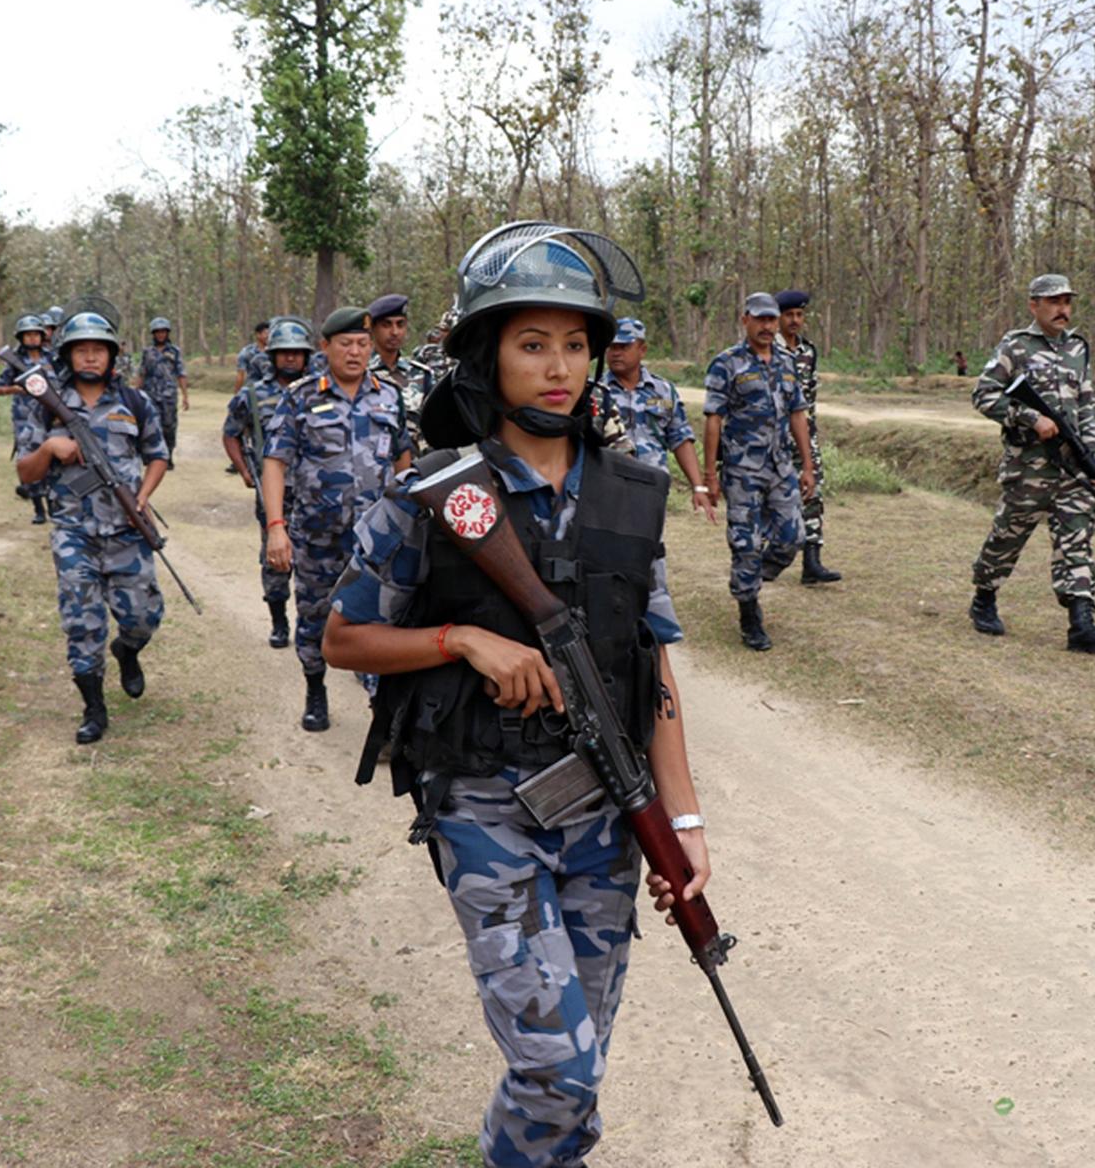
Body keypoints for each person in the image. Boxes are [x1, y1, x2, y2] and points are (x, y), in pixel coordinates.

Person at [323, 221, 709, 1168]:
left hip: (607, 818)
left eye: (576, 343)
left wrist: (683, 825)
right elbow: (341, 636)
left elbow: (651, 669)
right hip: (484, 803)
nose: (559, 366)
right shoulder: (433, 492)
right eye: (532, 344)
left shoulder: (632, 492)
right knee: (558, 1072)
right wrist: (463, 640)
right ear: (486, 357)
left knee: (582, 1060)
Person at [14, 311, 172, 742]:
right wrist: (50, 446)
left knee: (143, 616)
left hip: (127, 529)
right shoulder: (46, 407)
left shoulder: (134, 403)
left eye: (97, 350)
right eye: (81, 349)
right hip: (74, 533)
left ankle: (128, 650)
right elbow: (26, 473)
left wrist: (143, 496)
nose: (89, 357)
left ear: (112, 355)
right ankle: (94, 708)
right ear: (68, 354)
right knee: (82, 623)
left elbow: (158, 455)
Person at [262, 306, 414, 731]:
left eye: (363, 344)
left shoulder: (389, 395)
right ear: (325, 347)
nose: (355, 352)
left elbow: (403, 458)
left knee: (378, 621)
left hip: (375, 538)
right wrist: (276, 528)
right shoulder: (301, 396)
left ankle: (380, 711)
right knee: (314, 617)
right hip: (316, 537)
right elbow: (274, 462)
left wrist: (409, 516)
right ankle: (315, 689)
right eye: (345, 343)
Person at [969, 274, 1095, 653]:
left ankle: (1081, 623)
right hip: (1029, 468)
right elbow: (984, 395)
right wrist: (1029, 418)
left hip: (1071, 468)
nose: (1063, 310)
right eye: (1054, 302)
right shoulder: (1016, 346)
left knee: (1076, 540)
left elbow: (1086, 407)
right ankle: (984, 596)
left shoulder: (1077, 349)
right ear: (1034, 305)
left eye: (1067, 302)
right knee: (1007, 537)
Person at [702, 292, 816, 651]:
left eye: (772, 319)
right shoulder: (726, 364)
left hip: (781, 465)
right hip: (742, 470)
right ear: (745, 320)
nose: (768, 326)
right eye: (761, 319)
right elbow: (713, 419)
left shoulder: (787, 362)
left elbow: (799, 414)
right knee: (745, 542)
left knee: (793, 536)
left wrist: (807, 464)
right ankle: (749, 611)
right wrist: (710, 475)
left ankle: (755, 572)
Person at [223, 316, 317, 649]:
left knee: (319, 561)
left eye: (297, 352)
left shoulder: (319, 390)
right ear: (273, 354)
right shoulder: (253, 392)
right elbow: (231, 433)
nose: (291, 358)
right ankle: (279, 622)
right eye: (284, 352)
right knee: (275, 561)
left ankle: (320, 627)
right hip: (273, 493)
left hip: (316, 493)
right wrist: (246, 472)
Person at [603, 317, 717, 524]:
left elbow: (680, 438)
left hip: (651, 488)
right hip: (608, 489)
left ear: (642, 350)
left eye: (624, 346)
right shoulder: (596, 392)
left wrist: (698, 486)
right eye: (611, 346)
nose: (616, 352)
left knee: (651, 550)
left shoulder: (663, 391)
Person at [775, 289, 842, 583]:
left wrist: (809, 439)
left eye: (799, 315)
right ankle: (766, 558)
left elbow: (809, 400)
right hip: (773, 437)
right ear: (777, 318)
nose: (794, 320)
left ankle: (812, 562)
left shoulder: (807, 351)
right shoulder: (766, 350)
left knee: (813, 493)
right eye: (788, 315)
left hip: (804, 435)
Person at [0, 313, 55, 524]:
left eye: (35, 335)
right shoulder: (15, 361)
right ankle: (39, 509)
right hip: (25, 420)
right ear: (21, 338)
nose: (32, 339)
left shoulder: (52, 358)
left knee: (53, 462)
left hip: (51, 417)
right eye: (27, 335)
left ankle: (55, 506)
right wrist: (17, 389)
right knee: (30, 462)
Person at [368, 293, 438, 453]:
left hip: (417, 468)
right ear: (373, 328)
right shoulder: (360, 374)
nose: (395, 332)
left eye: (400, 325)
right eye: (387, 325)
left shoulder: (421, 375)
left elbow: (433, 428)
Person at [136, 318, 190, 456]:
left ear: (167, 333)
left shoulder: (175, 351)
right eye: (158, 332)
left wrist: (185, 396)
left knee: (169, 425)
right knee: (150, 424)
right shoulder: (147, 352)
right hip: (150, 394)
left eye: (163, 332)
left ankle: (169, 453)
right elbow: (141, 373)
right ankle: (152, 454)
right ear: (153, 334)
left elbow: (181, 374)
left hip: (168, 395)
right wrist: (136, 393)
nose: (160, 335)